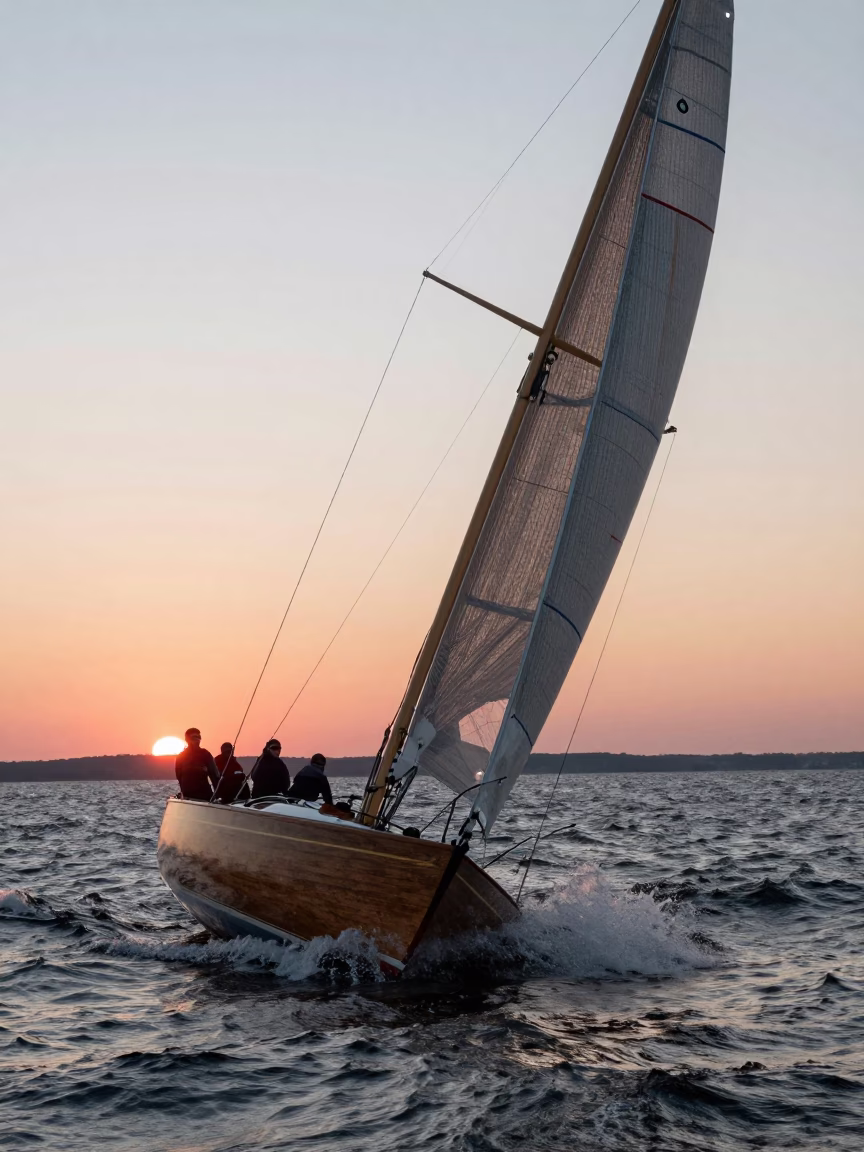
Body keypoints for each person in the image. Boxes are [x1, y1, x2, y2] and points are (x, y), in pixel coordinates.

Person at [174, 728, 220, 801]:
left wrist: (218, 796)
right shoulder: (181, 756)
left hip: (204, 795)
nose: (197, 740)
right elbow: (179, 776)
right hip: (188, 795)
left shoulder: (205, 754)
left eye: (199, 737)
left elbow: (214, 775)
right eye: (194, 737)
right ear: (187, 739)